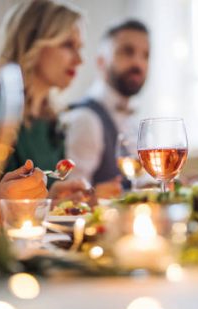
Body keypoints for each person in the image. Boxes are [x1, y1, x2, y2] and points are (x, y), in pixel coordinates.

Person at [0, 0, 88, 219]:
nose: (80, 60)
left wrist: (53, 199)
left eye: (79, 48)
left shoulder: (52, 119)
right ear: (33, 41)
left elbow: (25, 206)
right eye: (67, 45)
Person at [62, 19, 150, 187]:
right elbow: (73, 198)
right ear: (101, 61)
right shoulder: (86, 118)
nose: (138, 63)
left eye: (145, 55)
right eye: (127, 52)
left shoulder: (132, 118)